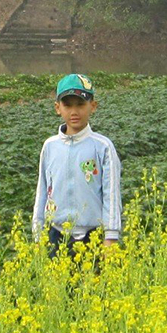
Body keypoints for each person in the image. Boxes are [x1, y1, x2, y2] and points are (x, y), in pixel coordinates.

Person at [32, 73, 123, 261]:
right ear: (58, 108)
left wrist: (111, 236)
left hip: (93, 235)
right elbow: (42, 190)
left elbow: (111, 194)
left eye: (81, 104)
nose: (74, 112)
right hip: (56, 235)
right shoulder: (50, 146)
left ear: (93, 106)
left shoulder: (103, 146)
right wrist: (38, 232)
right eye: (68, 105)